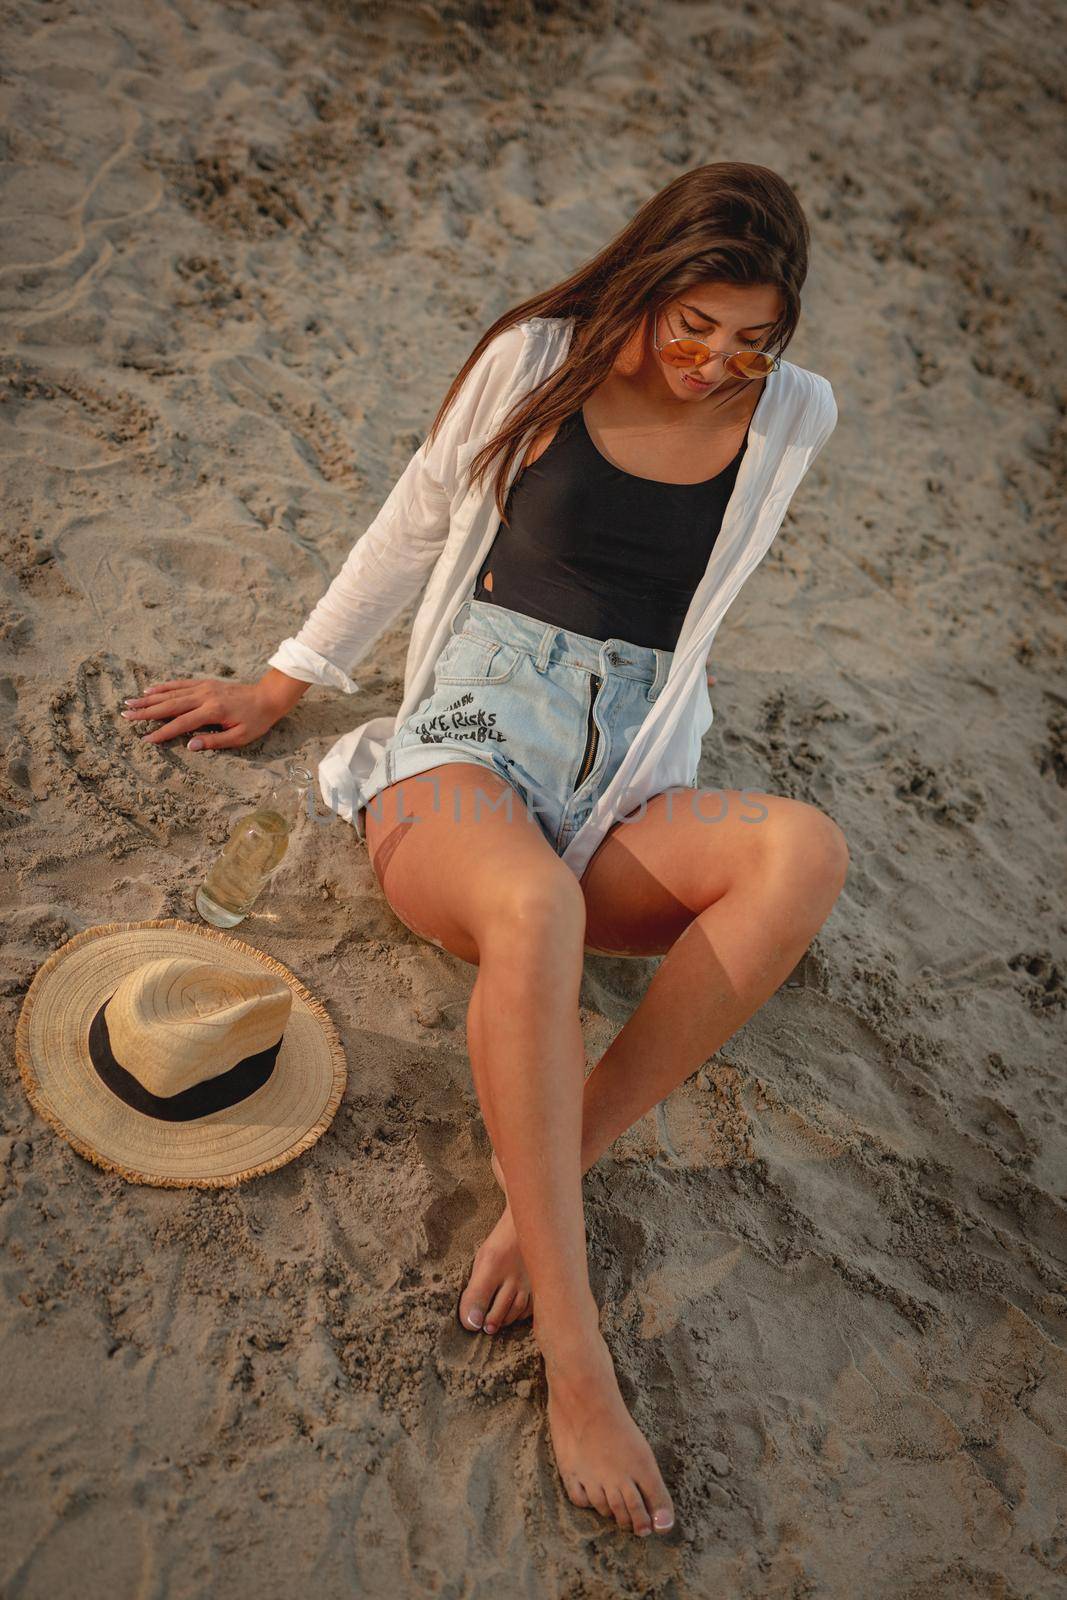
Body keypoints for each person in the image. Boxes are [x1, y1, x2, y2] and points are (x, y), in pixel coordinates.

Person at [120, 162, 848, 1539]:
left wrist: (630, 799)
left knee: (802, 852)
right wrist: (289, 680)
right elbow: (412, 516)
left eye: (751, 340)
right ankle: (580, 1362)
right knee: (530, 909)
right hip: (459, 761)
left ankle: (551, 1169)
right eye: (691, 326)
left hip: (622, 779)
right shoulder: (538, 355)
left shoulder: (795, 416)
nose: (715, 364)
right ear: (643, 283)